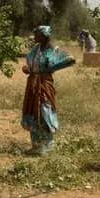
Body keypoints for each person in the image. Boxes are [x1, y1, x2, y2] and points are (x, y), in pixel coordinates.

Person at [21, 26, 76, 155]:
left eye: (37, 35)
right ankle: (36, 145)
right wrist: (28, 69)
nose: (34, 37)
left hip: (45, 84)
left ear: (44, 36)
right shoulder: (35, 49)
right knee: (33, 112)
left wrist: (50, 69)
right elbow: (29, 64)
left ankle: (48, 145)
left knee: (45, 110)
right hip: (33, 84)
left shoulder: (54, 50)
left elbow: (70, 59)